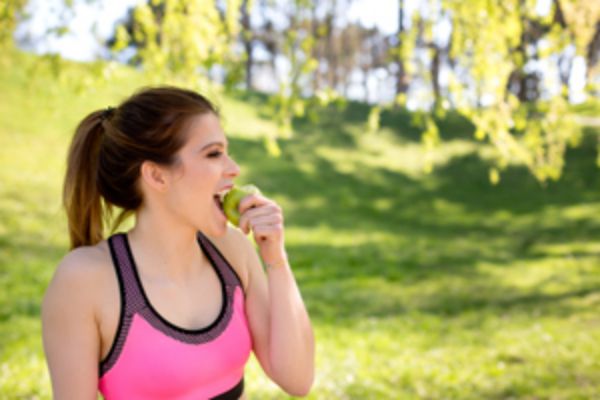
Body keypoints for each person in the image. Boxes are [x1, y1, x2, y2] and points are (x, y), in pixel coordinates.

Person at [41, 86, 315, 399]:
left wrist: (276, 259)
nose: (233, 169)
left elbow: (298, 379)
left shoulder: (232, 251)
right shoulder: (85, 280)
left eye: (227, 152)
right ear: (157, 176)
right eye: (213, 154)